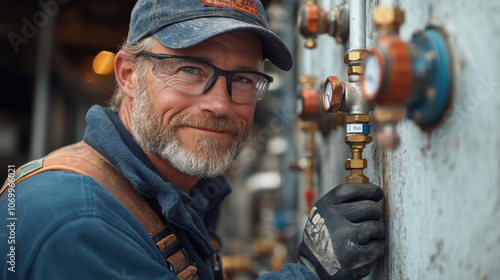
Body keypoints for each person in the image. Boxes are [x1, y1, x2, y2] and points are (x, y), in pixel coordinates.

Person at [0, 0, 385, 279]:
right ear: (128, 75)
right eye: (189, 68)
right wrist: (311, 274)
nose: (220, 104)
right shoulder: (77, 221)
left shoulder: (156, 195)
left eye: (244, 79)